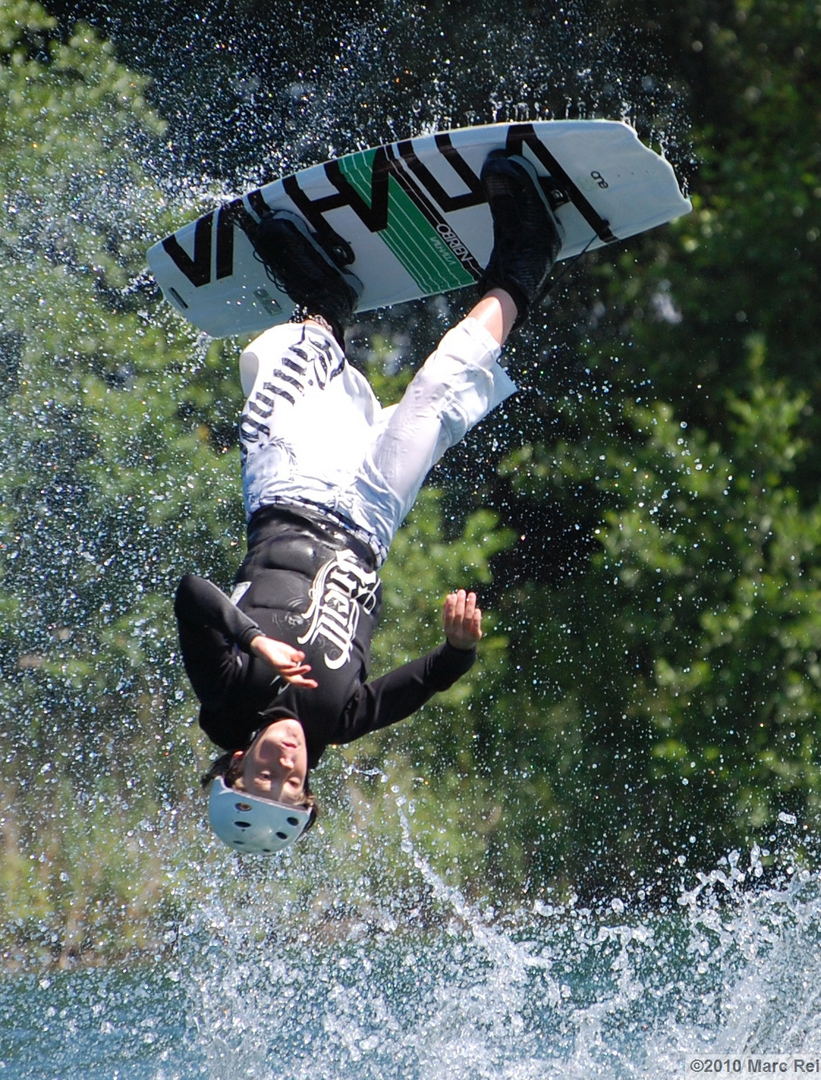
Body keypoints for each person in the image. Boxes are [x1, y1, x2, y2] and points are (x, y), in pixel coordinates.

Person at [173, 150, 562, 854]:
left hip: (286, 487)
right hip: (369, 518)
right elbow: (426, 681)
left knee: (283, 360)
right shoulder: (340, 717)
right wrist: (458, 649)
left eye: (262, 775)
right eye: (288, 783)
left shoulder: (226, 692)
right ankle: (527, 256)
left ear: (237, 762)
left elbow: (190, 593)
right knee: (444, 389)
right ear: (306, 791)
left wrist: (253, 638)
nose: (281, 764)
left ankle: (325, 302)